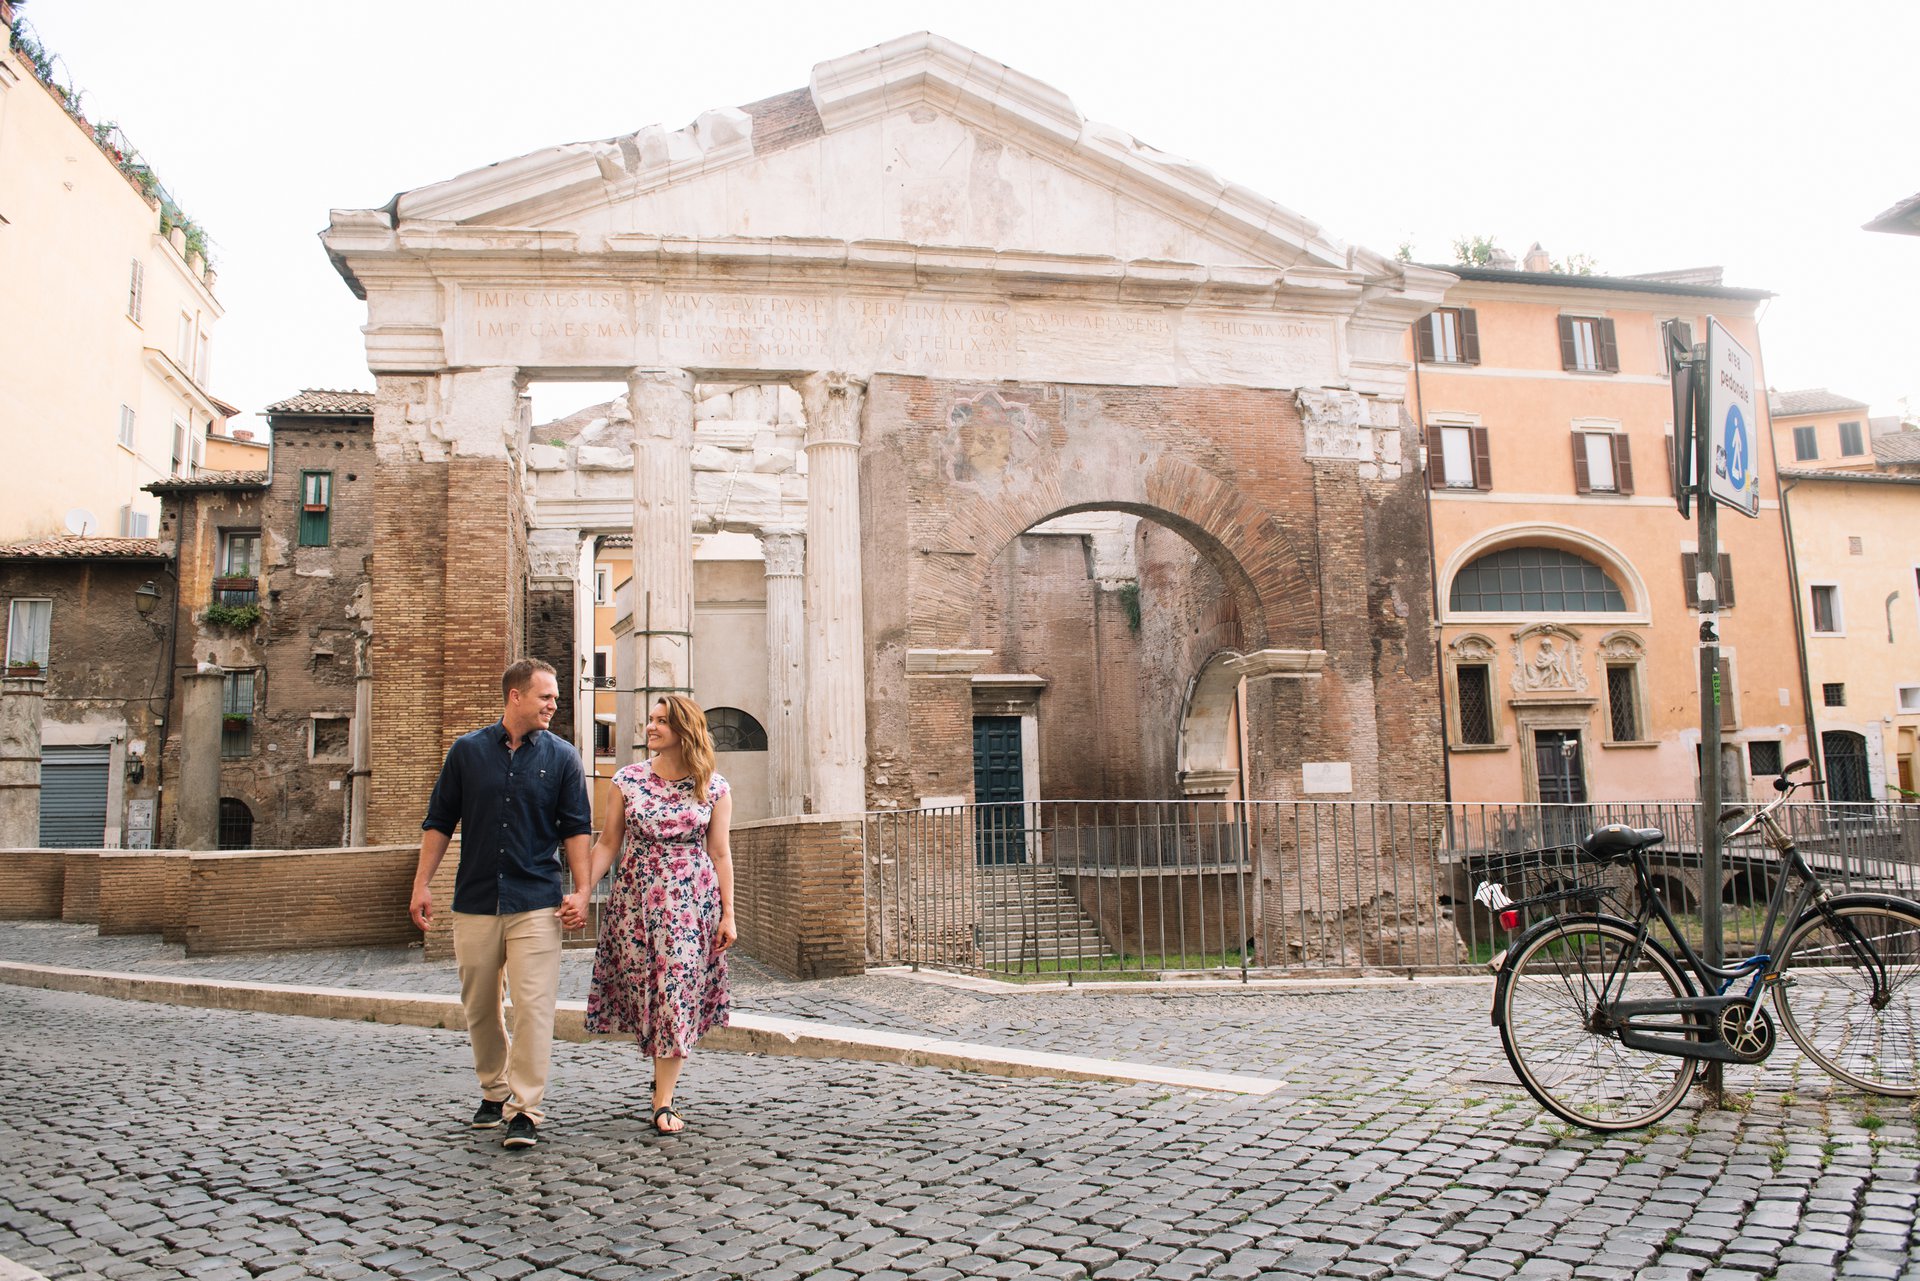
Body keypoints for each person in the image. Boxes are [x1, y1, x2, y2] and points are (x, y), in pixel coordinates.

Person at [410, 658, 593, 1150]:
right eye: (546, 696)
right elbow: (439, 821)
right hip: (474, 900)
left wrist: (581, 890)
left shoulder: (562, 757)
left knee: (534, 1007)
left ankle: (525, 1108)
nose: (554, 704)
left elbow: (576, 828)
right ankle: (493, 1091)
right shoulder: (466, 753)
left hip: (536, 899)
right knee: (480, 1005)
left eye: (555, 697)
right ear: (516, 696)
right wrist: (421, 884)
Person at [574, 695, 736, 1135]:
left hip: (690, 904)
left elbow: (720, 853)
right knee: (647, 990)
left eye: (661, 721)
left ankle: (664, 1099)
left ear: (684, 730)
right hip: (635, 901)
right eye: (651, 719)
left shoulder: (714, 787)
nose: (651, 727)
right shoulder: (627, 780)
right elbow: (608, 842)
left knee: (677, 989)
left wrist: (729, 914)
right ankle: (661, 1069)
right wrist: (583, 889)